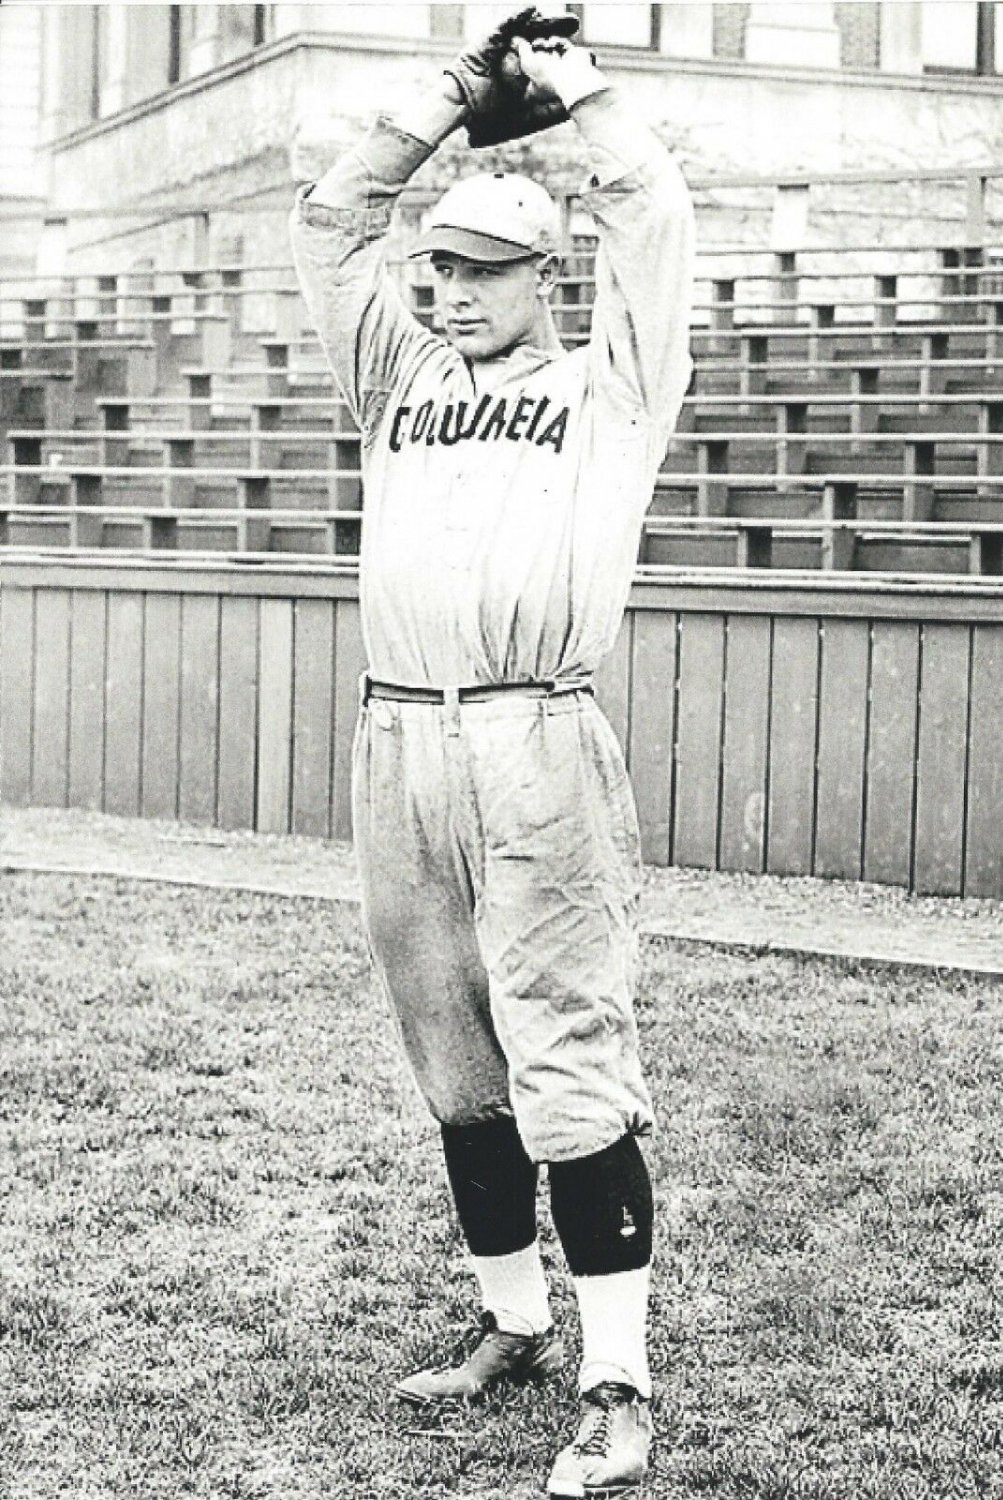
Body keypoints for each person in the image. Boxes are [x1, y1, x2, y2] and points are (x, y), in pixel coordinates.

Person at [289, 9, 694, 1493]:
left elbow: (650, 209)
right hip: (400, 734)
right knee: (454, 1056)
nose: (445, 288)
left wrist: (565, 97)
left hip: (532, 738)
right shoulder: (398, 379)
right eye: (438, 266)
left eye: (477, 269)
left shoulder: (610, 391)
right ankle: (512, 1323)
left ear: (541, 275)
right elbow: (336, 216)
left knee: (568, 1061)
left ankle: (617, 1378)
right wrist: (454, 97)